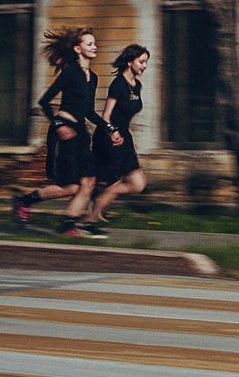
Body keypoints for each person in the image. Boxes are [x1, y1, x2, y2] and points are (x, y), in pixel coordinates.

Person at [10, 26, 106, 235]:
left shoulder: (93, 77)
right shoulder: (70, 72)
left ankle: (68, 224)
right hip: (63, 133)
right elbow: (44, 101)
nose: (94, 47)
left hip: (80, 133)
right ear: (78, 49)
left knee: (89, 181)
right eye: (89, 44)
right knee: (71, 187)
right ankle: (24, 201)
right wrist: (58, 125)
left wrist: (110, 128)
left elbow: (88, 111)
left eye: (94, 43)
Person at [82, 43, 150, 234]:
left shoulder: (137, 86)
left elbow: (126, 117)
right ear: (130, 62)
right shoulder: (118, 84)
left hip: (124, 137)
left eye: (146, 62)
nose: (144, 66)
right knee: (114, 181)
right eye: (141, 62)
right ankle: (91, 221)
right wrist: (113, 132)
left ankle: (97, 203)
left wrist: (130, 138)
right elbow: (106, 116)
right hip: (109, 137)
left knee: (137, 184)